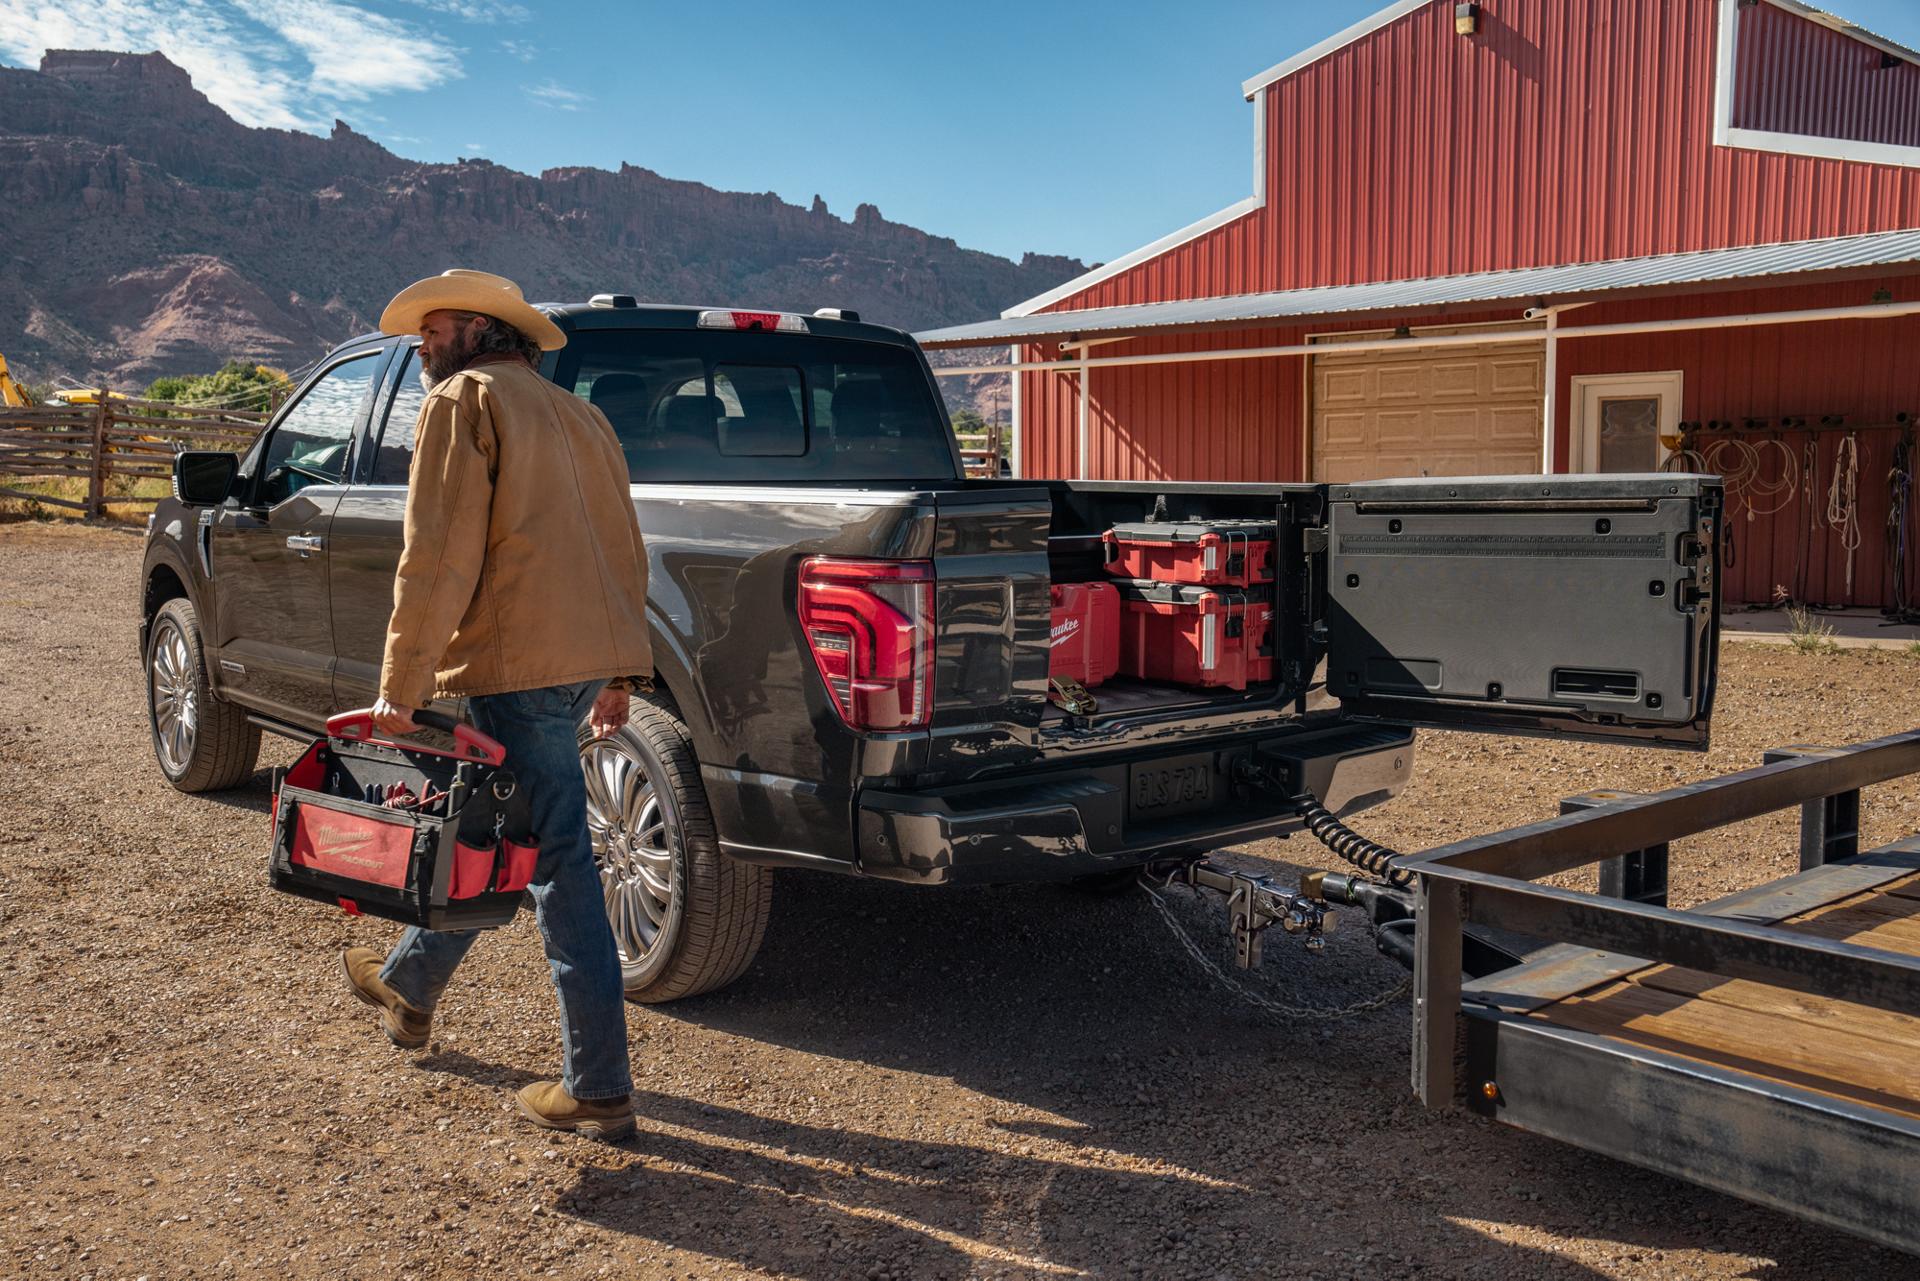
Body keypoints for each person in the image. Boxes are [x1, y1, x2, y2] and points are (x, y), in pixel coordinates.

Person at [339, 268, 652, 1141]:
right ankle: (409, 983)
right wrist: (623, 670)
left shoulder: (463, 400)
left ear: (480, 328)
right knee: (498, 836)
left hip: (515, 664)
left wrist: (400, 687)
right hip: (580, 660)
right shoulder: (582, 416)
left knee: (555, 860)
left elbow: (436, 558)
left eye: (433, 330)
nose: (421, 346)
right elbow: (625, 547)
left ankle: (598, 1086)